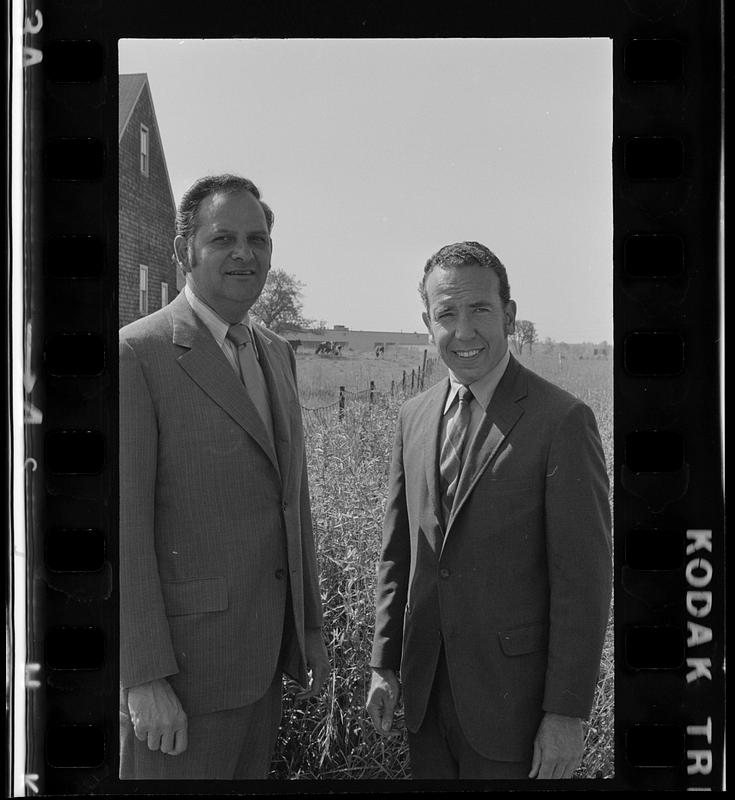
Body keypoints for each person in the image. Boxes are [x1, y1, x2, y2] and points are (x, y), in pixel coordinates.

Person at [366, 241, 611, 780]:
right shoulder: (414, 416)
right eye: (446, 314)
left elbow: (584, 583)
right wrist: (385, 664)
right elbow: (398, 553)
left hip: (514, 711)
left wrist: (566, 713)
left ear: (510, 315)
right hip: (426, 700)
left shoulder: (562, 421)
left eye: (480, 310)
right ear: (427, 323)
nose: (464, 331)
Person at [119, 174, 329, 780]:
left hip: (262, 668)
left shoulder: (276, 352)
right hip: (181, 682)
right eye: (223, 239)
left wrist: (308, 629)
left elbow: (294, 505)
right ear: (184, 251)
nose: (245, 252)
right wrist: (143, 677)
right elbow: (123, 528)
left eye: (258, 239)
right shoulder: (139, 354)